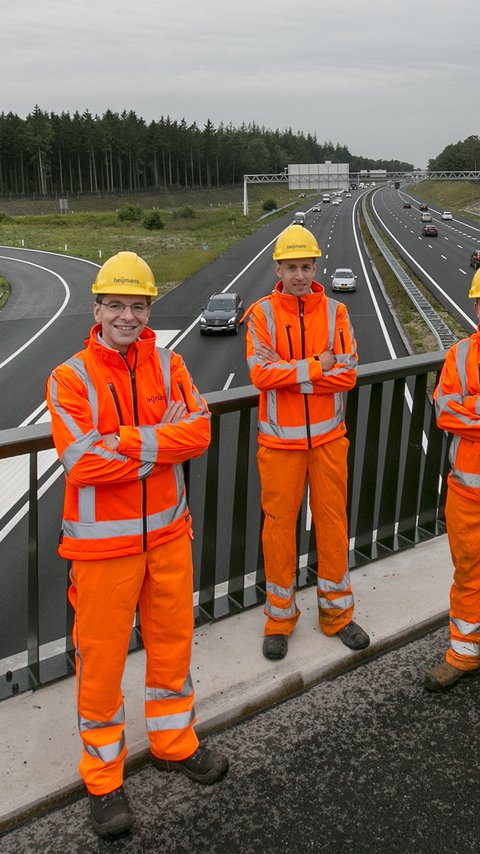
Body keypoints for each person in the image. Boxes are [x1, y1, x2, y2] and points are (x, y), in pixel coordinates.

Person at [46, 251, 228, 839]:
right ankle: (104, 781)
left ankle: (175, 742)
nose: (127, 315)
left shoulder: (170, 365)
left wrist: (124, 441)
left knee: (172, 647)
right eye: (116, 304)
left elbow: (198, 431)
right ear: (96, 308)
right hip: (102, 556)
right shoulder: (70, 377)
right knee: (99, 666)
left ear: (150, 309)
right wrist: (157, 441)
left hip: (169, 538)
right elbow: (83, 462)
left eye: (138, 305)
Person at [244, 224, 370, 661]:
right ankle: (279, 618)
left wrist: (292, 374)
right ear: (277, 268)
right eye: (291, 266)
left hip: (329, 441)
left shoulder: (336, 312)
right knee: (278, 531)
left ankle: (337, 614)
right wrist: (318, 365)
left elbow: (348, 374)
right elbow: (260, 375)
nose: (299, 274)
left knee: (333, 524)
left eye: (306, 266)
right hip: (280, 446)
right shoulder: (261, 314)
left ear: (315, 266)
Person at [425, 267, 480, 692]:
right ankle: (464, 653)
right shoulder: (460, 355)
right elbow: (446, 411)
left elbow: (462, 411)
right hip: (467, 492)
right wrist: (464, 410)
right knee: (468, 574)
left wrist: (472, 407)